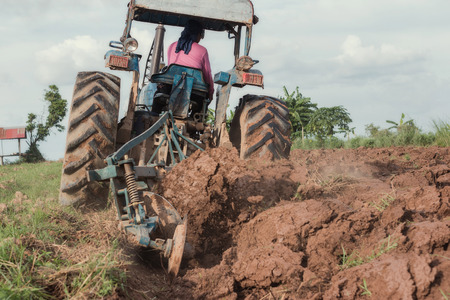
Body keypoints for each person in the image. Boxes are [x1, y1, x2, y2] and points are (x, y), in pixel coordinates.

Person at [167, 20, 214, 100]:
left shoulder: (172, 46)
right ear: (198, 34)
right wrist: (210, 92)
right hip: (194, 92)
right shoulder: (202, 50)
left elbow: (170, 67)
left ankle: (153, 112)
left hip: (170, 87)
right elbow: (207, 74)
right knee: (202, 103)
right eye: (201, 35)